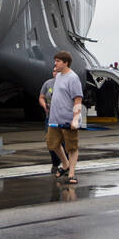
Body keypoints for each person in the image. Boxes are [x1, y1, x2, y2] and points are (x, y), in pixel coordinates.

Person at [46, 51, 83, 184]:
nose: (55, 63)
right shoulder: (59, 77)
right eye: (55, 61)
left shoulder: (73, 78)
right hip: (54, 119)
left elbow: (78, 100)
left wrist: (75, 118)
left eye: (57, 61)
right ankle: (65, 164)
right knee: (52, 144)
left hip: (68, 118)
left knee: (72, 147)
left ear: (65, 62)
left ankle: (71, 174)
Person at [38, 67, 66, 174]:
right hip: (50, 117)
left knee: (63, 142)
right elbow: (41, 97)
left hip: (63, 117)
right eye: (54, 71)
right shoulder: (48, 84)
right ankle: (55, 163)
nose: (55, 73)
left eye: (58, 71)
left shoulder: (66, 84)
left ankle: (65, 164)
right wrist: (44, 105)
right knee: (51, 142)